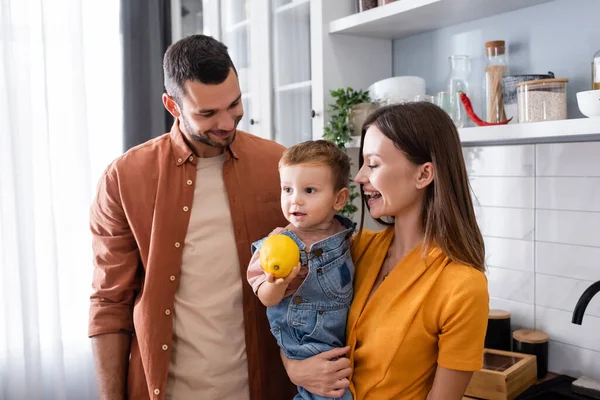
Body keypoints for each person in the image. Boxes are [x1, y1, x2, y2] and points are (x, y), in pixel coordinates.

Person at [88, 34, 296, 400]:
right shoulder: (124, 178)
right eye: (207, 113)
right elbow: (109, 303)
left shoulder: (280, 166)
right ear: (173, 105)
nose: (228, 122)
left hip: (266, 385)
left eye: (234, 104)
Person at [282, 102, 490, 400]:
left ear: (424, 174)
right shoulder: (352, 249)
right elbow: (292, 320)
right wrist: (294, 369)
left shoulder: (463, 287)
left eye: (374, 164)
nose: (359, 177)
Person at [247, 140, 356, 400]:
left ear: (339, 199)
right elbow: (265, 296)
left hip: (340, 337)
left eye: (309, 190)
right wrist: (277, 284)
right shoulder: (276, 243)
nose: (295, 199)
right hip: (303, 340)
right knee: (330, 394)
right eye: (287, 189)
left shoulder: (345, 236)